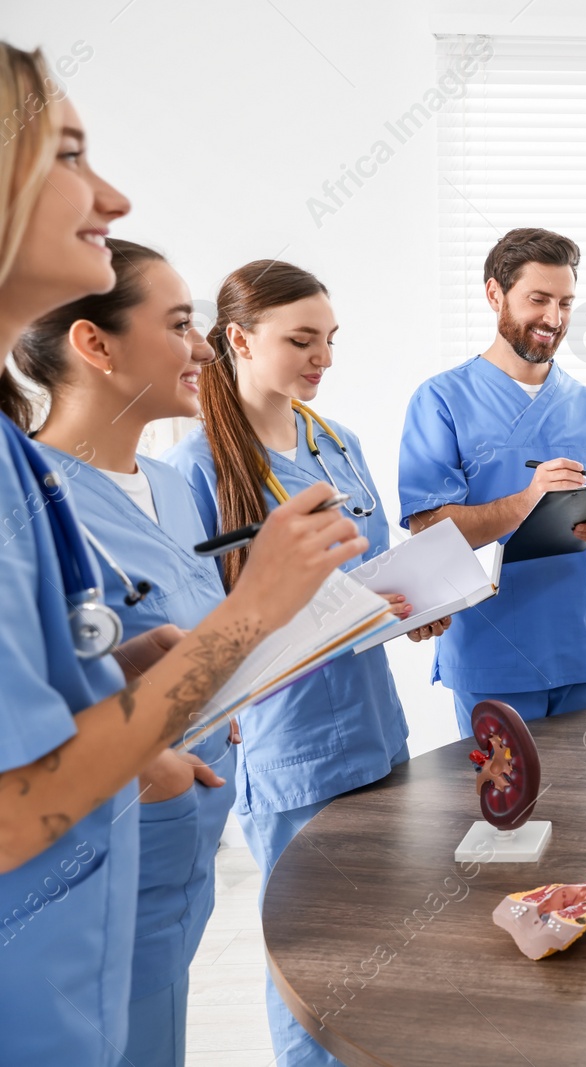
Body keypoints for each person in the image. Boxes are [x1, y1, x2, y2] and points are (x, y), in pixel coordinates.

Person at [0, 46, 364, 1067]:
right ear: (94, 346)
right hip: (58, 917)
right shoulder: (34, 479)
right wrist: (255, 609)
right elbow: (14, 804)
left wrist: (113, 676)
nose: (109, 194)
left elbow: (51, 679)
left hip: (144, 872)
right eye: (67, 155)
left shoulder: (92, 482)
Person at [164, 259, 445, 1067]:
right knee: (313, 962)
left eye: (329, 340)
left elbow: (370, 571)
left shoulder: (336, 441)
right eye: (301, 340)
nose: (322, 357)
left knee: (378, 945)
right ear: (239, 340)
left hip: (375, 726)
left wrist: (415, 608)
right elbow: (201, 630)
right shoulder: (196, 469)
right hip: (289, 742)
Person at [17, 240, 234, 1067]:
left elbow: (181, 637)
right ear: (95, 345)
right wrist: (158, 765)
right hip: (109, 847)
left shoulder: (174, 485)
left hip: (187, 843)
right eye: (180, 324)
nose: (205, 348)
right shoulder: (30, 498)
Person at [399, 228, 586, 732]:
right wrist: (530, 499)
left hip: (580, 645)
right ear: (495, 294)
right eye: (538, 299)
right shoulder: (441, 400)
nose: (553, 319)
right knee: (505, 805)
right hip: (491, 647)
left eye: (566, 303)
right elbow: (429, 528)